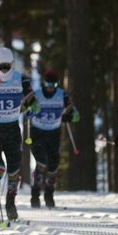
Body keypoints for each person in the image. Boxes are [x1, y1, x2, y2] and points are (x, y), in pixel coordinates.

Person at [0, 47, 38, 221]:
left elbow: (34, 102)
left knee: (15, 170)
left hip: (12, 128)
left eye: (7, 66)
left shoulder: (21, 79)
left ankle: (10, 203)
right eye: (1, 66)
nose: (4, 70)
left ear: (12, 64)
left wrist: (31, 109)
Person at [29, 69, 79, 208]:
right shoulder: (37, 94)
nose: (50, 88)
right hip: (37, 133)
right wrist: (32, 110)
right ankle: (35, 194)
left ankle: (49, 194)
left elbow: (75, 114)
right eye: (48, 85)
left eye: (54, 85)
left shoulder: (62, 95)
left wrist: (68, 116)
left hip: (53, 134)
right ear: (43, 83)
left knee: (53, 166)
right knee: (41, 162)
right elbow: (26, 110)